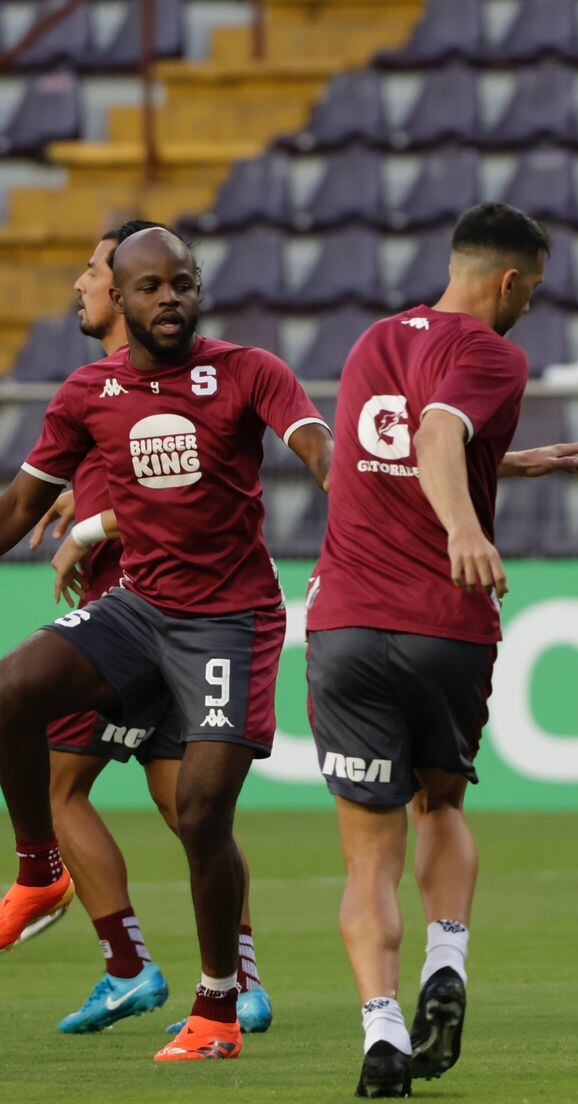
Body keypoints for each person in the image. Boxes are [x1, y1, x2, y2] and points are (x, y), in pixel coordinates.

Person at [0, 226, 332, 1064]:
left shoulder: (250, 371)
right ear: (125, 295)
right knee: (10, 692)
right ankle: (40, 871)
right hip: (141, 608)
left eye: (181, 283)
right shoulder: (88, 392)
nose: (169, 299)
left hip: (232, 619)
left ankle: (219, 1000)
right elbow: (13, 515)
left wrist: (456, 472)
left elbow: (326, 454)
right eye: (150, 287)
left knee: (198, 812)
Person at [303, 202, 578, 1098]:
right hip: (444, 622)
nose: (528, 309)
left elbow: (390, 453)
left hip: (347, 623)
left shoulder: (373, 343)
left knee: (366, 855)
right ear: (509, 280)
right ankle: (447, 960)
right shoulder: (492, 353)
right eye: (534, 292)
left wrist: (513, 461)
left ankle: (381, 1032)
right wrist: (468, 528)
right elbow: (437, 437)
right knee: (442, 806)